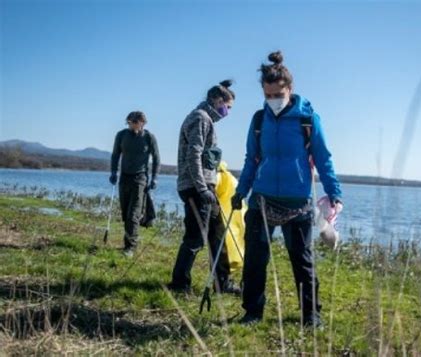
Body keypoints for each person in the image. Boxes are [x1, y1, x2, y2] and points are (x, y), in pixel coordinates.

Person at [231, 51, 343, 326]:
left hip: (298, 203)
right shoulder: (259, 121)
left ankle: (311, 315)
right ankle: (253, 312)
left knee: (302, 263)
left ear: (289, 89)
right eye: (268, 95)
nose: (273, 101)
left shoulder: (307, 119)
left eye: (278, 94)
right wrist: (241, 191)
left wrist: (335, 191)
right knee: (255, 261)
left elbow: (324, 157)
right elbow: (251, 159)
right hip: (261, 200)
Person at [168, 80, 241, 295]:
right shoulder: (200, 118)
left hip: (205, 188)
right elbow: (194, 154)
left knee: (217, 233)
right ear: (218, 100)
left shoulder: (207, 119)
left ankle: (222, 282)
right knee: (196, 237)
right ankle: (180, 284)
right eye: (228, 106)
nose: (227, 111)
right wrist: (201, 188)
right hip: (195, 187)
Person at [110, 111, 160, 257]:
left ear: (142, 122)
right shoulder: (121, 135)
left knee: (134, 214)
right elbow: (115, 155)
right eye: (129, 123)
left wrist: (155, 178)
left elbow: (156, 158)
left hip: (140, 178)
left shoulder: (149, 137)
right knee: (126, 213)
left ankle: (130, 247)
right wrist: (113, 172)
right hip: (124, 178)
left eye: (134, 123)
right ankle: (128, 242)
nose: (132, 126)